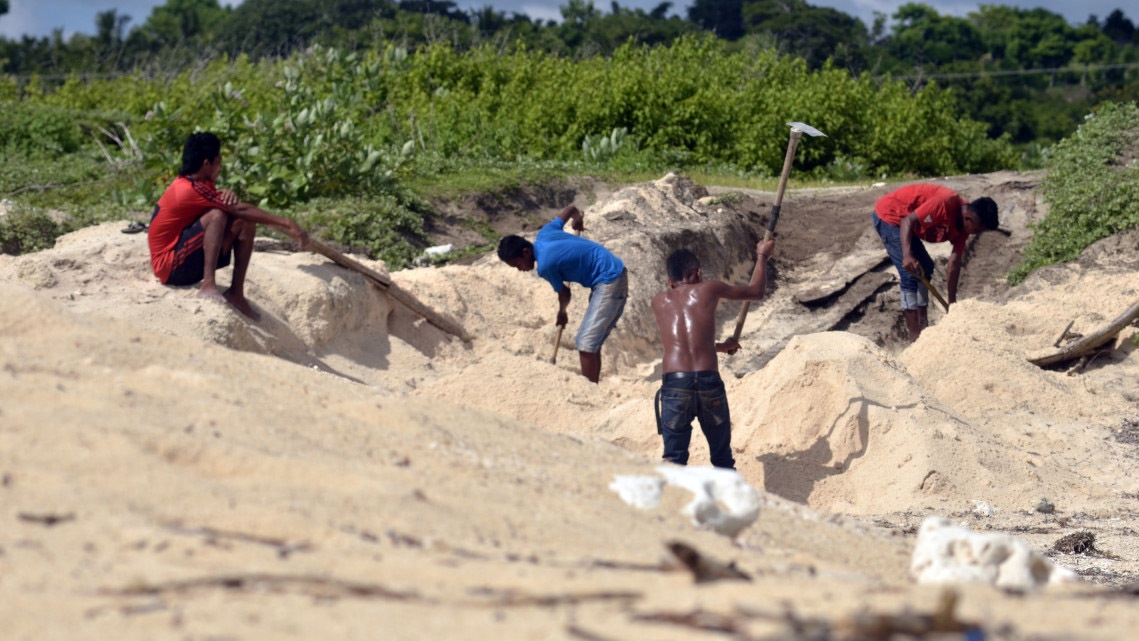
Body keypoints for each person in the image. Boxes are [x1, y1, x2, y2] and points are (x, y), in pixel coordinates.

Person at [148, 132, 308, 321]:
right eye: (218, 162)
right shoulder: (186, 189)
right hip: (169, 267)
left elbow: (229, 207)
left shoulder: (199, 183)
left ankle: (236, 293)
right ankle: (208, 285)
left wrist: (226, 192)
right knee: (218, 215)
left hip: (182, 258)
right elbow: (237, 209)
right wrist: (286, 223)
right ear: (206, 164)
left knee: (245, 223)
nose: (220, 167)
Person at [651, 239, 775, 469]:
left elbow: (683, 344)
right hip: (708, 382)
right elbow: (756, 292)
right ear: (698, 273)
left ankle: (671, 503)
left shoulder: (658, 302)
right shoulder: (709, 288)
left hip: (675, 386)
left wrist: (720, 346)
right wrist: (762, 257)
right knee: (722, 459)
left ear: (669, 282)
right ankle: (730, 502)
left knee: (674, 460)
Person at [497, 205, 627, 383]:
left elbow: (565, 293)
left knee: (586, 343)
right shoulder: (544, 233)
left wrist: (562, 313)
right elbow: (571, 209)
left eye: (518, 264)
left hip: (609, 279)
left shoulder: (545, 265)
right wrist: (577, 219)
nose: (521, 270)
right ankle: (593, 384)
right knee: (589, 341)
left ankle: (589, 389)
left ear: (526, 252)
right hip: (608, 273)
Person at [871, 183, 998, 341]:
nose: (975, 234)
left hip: (906, 223)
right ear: (969, 219)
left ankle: (923, 323)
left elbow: (954, 264)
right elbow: (907, 222)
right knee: (909, 274)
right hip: (891, 216)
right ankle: (915, 335)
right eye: (977, 230)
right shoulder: (945, 202)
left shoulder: (965, 226)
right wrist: (907, 255)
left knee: (926, 267)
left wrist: (952, 305)